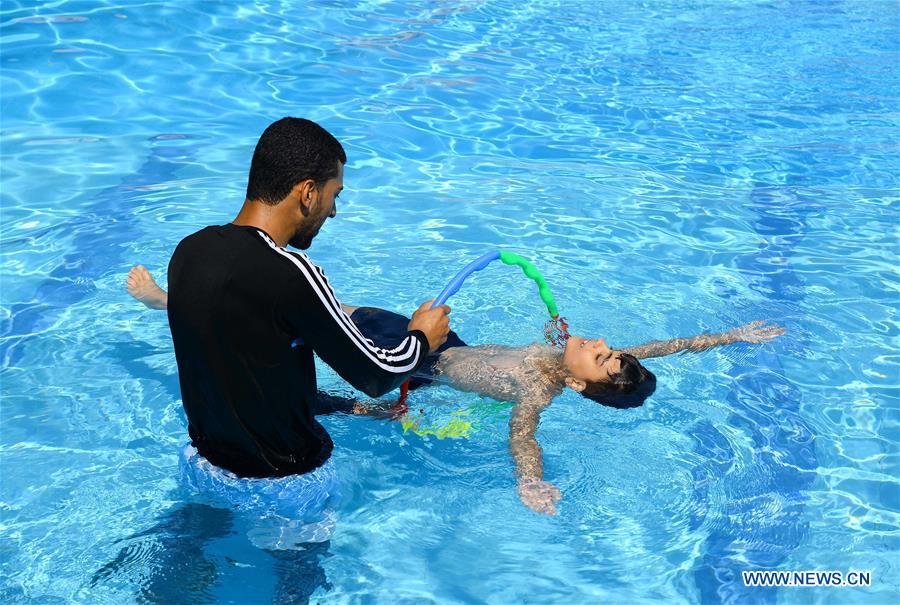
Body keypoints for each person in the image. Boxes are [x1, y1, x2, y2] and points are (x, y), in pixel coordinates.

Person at [128, 267, 784, 515]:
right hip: (448, 347)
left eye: (604, 357)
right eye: (607, 348)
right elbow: (657, 347)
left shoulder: (538, 386)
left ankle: (168, 300)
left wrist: (530, 481)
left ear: (584, 384)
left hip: (425, 362)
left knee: (316, 320)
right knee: (327, 318)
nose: (604, 342)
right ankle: (350, 403)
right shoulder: (567, 359)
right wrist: (727, 337)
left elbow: (522, 434)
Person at [158, 118, 451, 511]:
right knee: (301, 573)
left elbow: (247, 372)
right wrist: (420, 337)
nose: (333, 212)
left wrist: (347, 408)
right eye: (334, 195)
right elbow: (376, 373)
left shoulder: (189, 252)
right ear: (308, 193)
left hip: (206, 466)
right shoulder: (292, 273)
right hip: (287, 487)